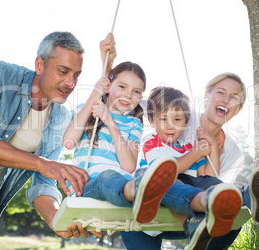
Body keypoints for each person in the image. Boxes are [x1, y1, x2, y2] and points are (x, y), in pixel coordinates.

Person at [0, 31, 116, 249]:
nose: (70, 83)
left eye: (76, 75)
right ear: (40, 66)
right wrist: (42, 163)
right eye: (63, 71)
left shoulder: (60, 118)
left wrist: (56, 218)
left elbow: (44, 182)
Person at [121, 74, 259, 250]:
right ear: (207, 96)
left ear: (238, 109)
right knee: (168, 181)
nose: (226, 100)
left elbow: (210, 177)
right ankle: (195, 221)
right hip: (148, 212)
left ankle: (246, 195)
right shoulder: (178, 110)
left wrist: (212, 149)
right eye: (221, 92)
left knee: (225, 206)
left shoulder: (226, 152)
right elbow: (127, 99)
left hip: (196, 215)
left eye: (234, 97)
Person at [62, 61, 181, 224]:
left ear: (140, 97)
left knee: (142, 173)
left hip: (122, 186)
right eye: (122, 87)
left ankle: (148, 194)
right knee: (107, 177)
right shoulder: (86, 110)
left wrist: (110, 122)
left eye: (136, 91)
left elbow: (129, 166)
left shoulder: (134, 124)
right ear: (109, 85)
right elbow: (68, 142)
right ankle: (140, 194)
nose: (128, 95)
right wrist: (94, 95)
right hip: (88, 187)